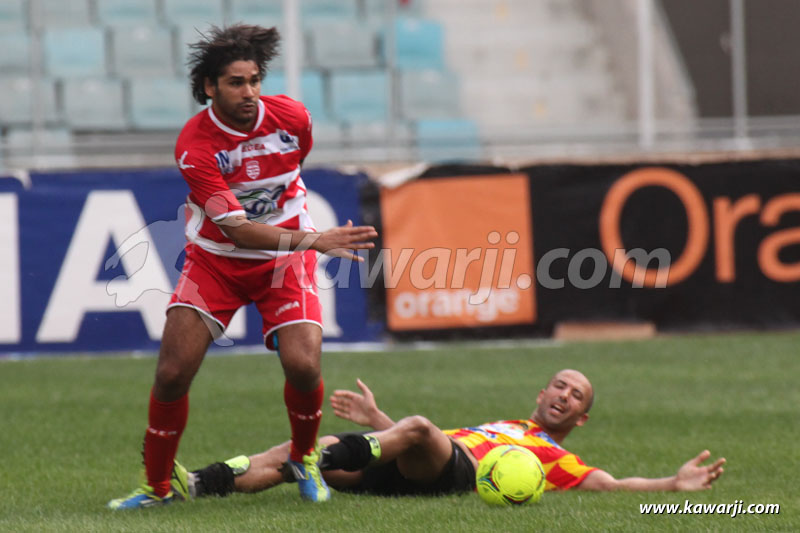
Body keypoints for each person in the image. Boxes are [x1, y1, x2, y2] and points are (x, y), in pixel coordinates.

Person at [108, 24, 378, 509]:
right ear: (210, 87)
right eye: (236, 82)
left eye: (255, 79)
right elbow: (237, 231)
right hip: (218, 262)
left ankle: (303, 457)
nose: (249, 91)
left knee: (303, 364)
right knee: (172, 373)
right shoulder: (196, 145)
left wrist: (302, 239)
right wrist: (316, 239)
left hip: (284, 261)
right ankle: (157, 487)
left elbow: (294, 166)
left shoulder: (292, 117)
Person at [182, 369, 726, 499]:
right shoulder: (508, 425)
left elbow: (610, 484)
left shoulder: (554, 457)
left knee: (417, 426)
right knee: (312, 447)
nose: (564, 394)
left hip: (452, 471)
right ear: (540, 395)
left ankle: (313, 468)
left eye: (575, 396)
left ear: (579, 418)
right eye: (559, 386)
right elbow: (413, 440)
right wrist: (377, 421)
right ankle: (202, 482)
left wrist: (669, 487)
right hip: (411, 462)